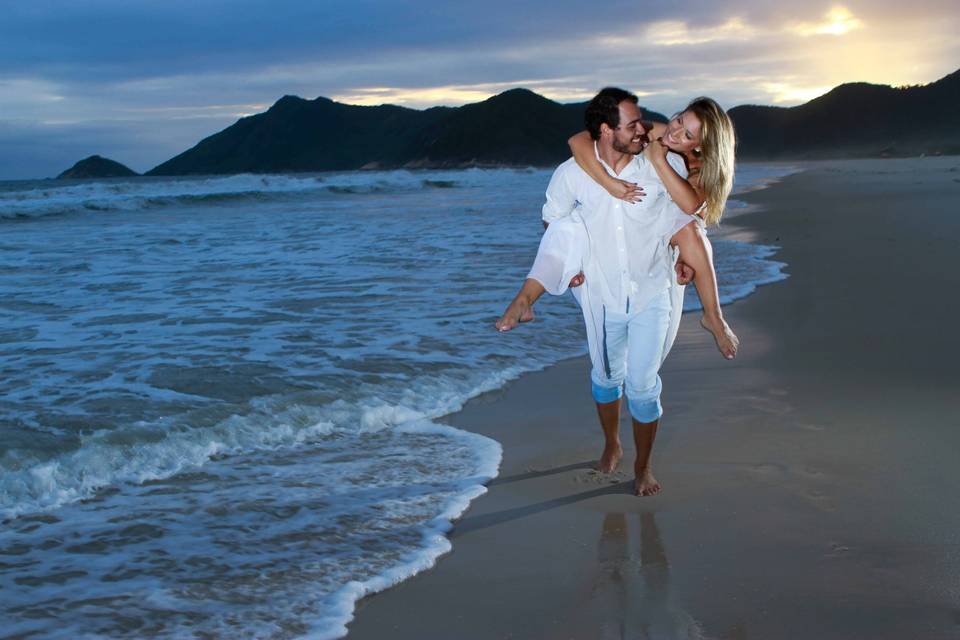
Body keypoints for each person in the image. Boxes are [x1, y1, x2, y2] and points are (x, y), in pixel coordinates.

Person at [494, 88, 734, 496]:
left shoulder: (663, 161)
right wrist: (571, 266)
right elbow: (553, 221)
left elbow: (689, 213)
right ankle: (612, 443)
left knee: (642, 384)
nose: (647, 129)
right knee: (606, 378)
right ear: (607, 131)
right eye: (633, 124)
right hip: (601, 294)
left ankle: (643, 467)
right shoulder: (572, 172)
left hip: (653, 291)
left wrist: (679, 251)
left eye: (644, 122)